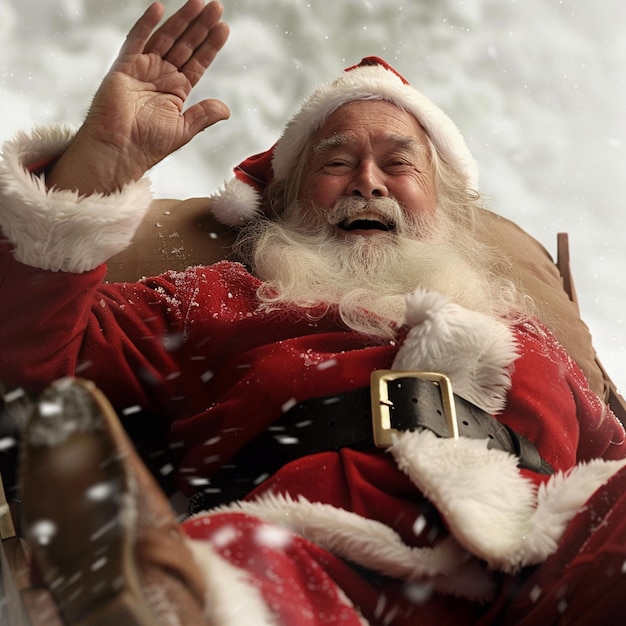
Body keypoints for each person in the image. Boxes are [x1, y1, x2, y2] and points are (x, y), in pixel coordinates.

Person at [1, 1, 626, 624]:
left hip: (540, 562)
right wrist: (93, 169)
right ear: (285, 202)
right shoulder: (209, 298)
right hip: (303, 545)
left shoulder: (531, 338)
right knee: (235, 571)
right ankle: (163, 594)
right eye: (335, 162)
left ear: (450, 208)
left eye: (399, 162)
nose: (368, 182)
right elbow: (33, 347)